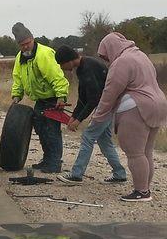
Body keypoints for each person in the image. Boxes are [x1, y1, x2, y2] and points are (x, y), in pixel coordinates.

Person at [92, 32, 167, 202]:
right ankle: (144, 188)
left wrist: (98, 116)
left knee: (134, 152)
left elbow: (110, 91)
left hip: (136, 107)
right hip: (159, 104)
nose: (106, 60)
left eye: (105, 55)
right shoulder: (141, 55)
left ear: (110, 48)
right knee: (146, 151)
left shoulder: (121, 62)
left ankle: (141, 192)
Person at [54, 45, 126, 185]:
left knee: (88, 136)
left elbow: (94, 99)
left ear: (68, 60)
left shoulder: (89, 67)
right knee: (104, 141)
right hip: (105, 105)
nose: (61, 68)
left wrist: (79, 120)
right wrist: (73, 117)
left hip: (106, 105)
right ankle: (119, 174)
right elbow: (83, 98)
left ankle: (76, 174)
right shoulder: (81, 69)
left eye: (61, 64)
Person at [11, 22, 69, 173]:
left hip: (52, 99)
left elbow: (56, 76)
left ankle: (55, 163)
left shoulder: (44, 54)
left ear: (32, 39)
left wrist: (61, 96)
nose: (25, 47)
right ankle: (47, 159)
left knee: (52, 131)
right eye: (22, 45)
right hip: (40, 100)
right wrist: (17, 95)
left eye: (27, 43)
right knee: (41, 130)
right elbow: (18, 78)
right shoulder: (20, 58)